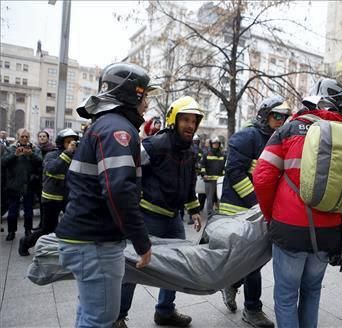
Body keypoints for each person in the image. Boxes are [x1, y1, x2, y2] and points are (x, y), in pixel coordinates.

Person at [55, 62, 153, 327]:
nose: (147, 103)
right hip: (96, 243)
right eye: (146, 96)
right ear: (133, 93)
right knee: (101, 319)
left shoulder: (105, 124)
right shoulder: (118, 129)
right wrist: (141, 241)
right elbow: (119, 189)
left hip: (86, 239)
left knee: (88, 314)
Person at [253, 78, 342, 328]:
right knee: (312, 292)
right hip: (330, 231)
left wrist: (269, 216)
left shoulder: (289, 130)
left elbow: (263, 177)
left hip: (290, 227)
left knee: (286, 296)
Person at [115, 96, 203, 328]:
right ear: (174, 120)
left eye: (194, 121)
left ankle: (165, 311)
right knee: (134, 266)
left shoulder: (191, 149)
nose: (190, 126)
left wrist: (194, 209)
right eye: (185, 120)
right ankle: (117, 317)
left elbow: (189, 181)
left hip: (174, 218)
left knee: (176, 266)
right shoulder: (155, 144)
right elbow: (128, 167)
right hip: (149, 217)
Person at [219, 95, 290, 328]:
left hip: (260, 210)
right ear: (264, 114)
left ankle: (232, 283)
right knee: (253, 259)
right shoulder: (247, 136)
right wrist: (257, 202)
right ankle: (252, 309)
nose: (281, 121)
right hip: (240, 209)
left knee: (254, 259)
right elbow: (235, 172)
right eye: (277, 116)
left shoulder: (278, 140)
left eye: (285, 117)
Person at [18, 128, 78, 256]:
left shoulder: (76, 157)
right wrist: (67, 153)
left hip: (68, 198)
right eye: (68, 142)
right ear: (61, 143)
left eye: (74, 142)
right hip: (51, 198)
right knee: (47, 228)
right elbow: (52, 169)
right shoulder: (52, 155)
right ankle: (25, 242)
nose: (72, 144)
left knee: (75, 223)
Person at [1, 128, 43, 241]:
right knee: (12, 211)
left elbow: (40, 162)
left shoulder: (34, 149)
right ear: (18, 137)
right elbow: (3, 162)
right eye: (22, 136)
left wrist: (31, 154)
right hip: (14, 184)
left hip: (29, 184)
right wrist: (15, 155)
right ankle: (11, 231)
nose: (24, 139)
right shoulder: (11, 148)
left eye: (26, 137)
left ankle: (28, 230)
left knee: (28, 210)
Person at [201, 136, 226, 217]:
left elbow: (225, 167)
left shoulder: (223, 155)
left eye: (217, 144)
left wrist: (223, 175)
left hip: (219, 181)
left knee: (219, 198)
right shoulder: (206, 154)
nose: (215, 145)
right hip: (209, 180)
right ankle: (210, 214)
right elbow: (202, 166)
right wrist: (204, 175)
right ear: (211, 144)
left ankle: (219, 213)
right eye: (214, 144)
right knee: (210, 198)